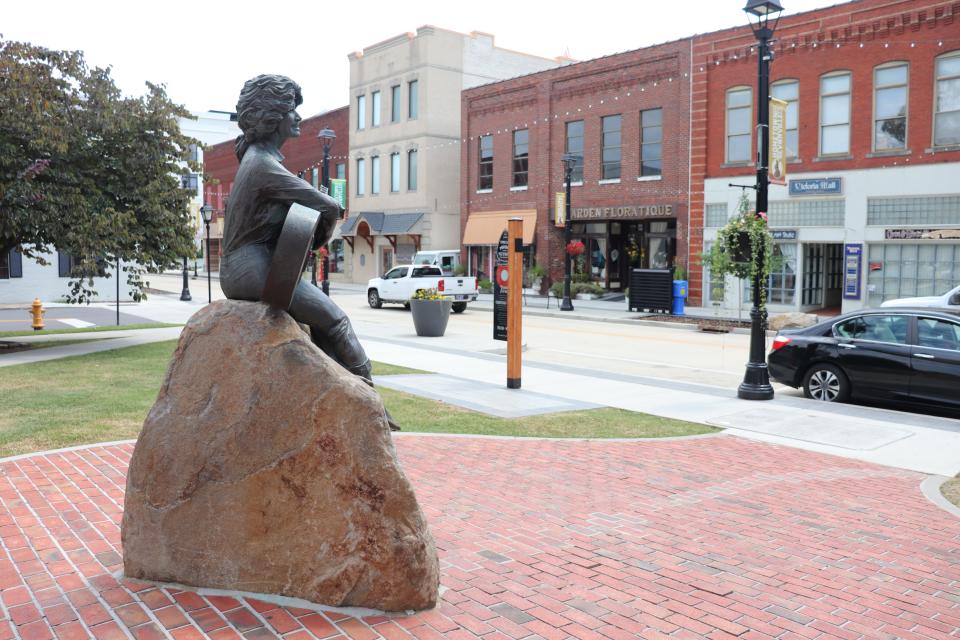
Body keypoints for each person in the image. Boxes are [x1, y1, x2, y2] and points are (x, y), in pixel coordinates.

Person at [221, 74, 398, 430]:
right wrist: (319, 236)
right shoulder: (262, 164)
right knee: (337, 320)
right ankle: (372, 407)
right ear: (274, 118)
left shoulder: (259, 160)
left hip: (250, 269)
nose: (298, 117)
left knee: (321, 326)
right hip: (252, 272)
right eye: (292, 110)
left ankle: (347, 398)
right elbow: (330, 206)